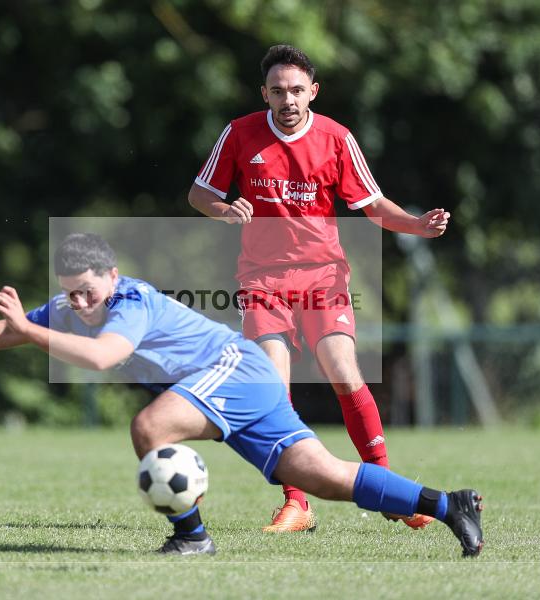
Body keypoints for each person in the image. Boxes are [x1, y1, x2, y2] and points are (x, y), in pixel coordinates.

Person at [0, 233, 483, 557]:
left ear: (112, 277)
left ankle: (191, 537)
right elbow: (9, 332)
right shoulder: (72, 306)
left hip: (235, 370)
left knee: (150, 427)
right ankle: (448, 504)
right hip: (241, 383)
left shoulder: (130, 302)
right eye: (71, 293)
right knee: (327, 478)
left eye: (89, 290)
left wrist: (29, 328)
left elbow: (102, 357)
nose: (80, 302)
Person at [188, 44, 450, 532]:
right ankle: (297, 502)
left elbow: (373, 205)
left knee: (344, 372)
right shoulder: (239, 134)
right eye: (277, 91)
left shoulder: (336, 138)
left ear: (313, 91)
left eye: (296, 90)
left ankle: (389, 490)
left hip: (323, 276)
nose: (287, 100)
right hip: (262, 280)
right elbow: (200, 193)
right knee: (273, 387)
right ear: (264, 94)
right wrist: (224, 210)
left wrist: (416, 225)